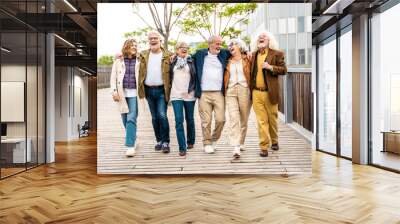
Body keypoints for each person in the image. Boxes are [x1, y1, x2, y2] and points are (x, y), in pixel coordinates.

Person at [192, 35, 231, 154]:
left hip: (219, 93)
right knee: (206, 121)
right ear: (210, 44)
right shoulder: (200, 54)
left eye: (220, 44)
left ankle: (214, 139)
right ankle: (207, 143)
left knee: (221, 119)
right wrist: (174, 56)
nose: (219, 46)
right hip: (204, 93)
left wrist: (247, 53)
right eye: (217, 43)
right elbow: (186, 56)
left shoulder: (224, 54)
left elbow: (238, 52)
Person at [250, 31, 287, 157]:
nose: (261, 38)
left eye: (264, 36)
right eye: (259, 37)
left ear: (269, 40)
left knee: (272, 119)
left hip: (270, 92)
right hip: (256, 92)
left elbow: (284, 70)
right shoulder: (253, 55)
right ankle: (264, 147)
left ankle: (275, 141)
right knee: (261, 121)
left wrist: (270, 67)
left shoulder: (277, 54)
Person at [137, 31, 173, 153]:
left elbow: (181, 58)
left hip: (162, 90)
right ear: (148, 41)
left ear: (160, 40)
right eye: (151, 38)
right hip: (148, 90)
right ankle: (159, 140)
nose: (153, 40)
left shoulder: (168, 55)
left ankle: (166, 141)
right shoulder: (143, 55)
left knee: (162, 115)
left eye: (155, 38)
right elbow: (130, 58)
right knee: (154, 117)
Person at [110, 39, 140, 157]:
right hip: (122, 94)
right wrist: (113, 92)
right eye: (132, 45)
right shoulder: (118, 61)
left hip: (134, 94)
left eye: (136, 45)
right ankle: (133, 137)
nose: (134, 47)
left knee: (131, 118)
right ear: (126, 47)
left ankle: (130, 146)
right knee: (124, 119)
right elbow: (113, 77)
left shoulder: (139, 60)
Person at [223, 38, 252, 158]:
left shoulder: (248, 59)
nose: (230, 47)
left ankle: (241, 142)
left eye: (232, 44)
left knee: (244, 119)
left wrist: (250, 52)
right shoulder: (226, 60)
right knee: (234, 118)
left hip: (244, 89)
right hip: (230, 90)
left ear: (239, 46)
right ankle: (236, 146)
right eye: (228, 45)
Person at [169, 42, 197, 156]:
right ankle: (182, 147)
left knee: (190, 119)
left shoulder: (192, 60)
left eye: (186, 48)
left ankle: (190, 141)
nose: (184, 49)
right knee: (179, 120)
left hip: (189, 94)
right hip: (176, 94)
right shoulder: (172, 61)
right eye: (181, 48)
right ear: (177, 50)